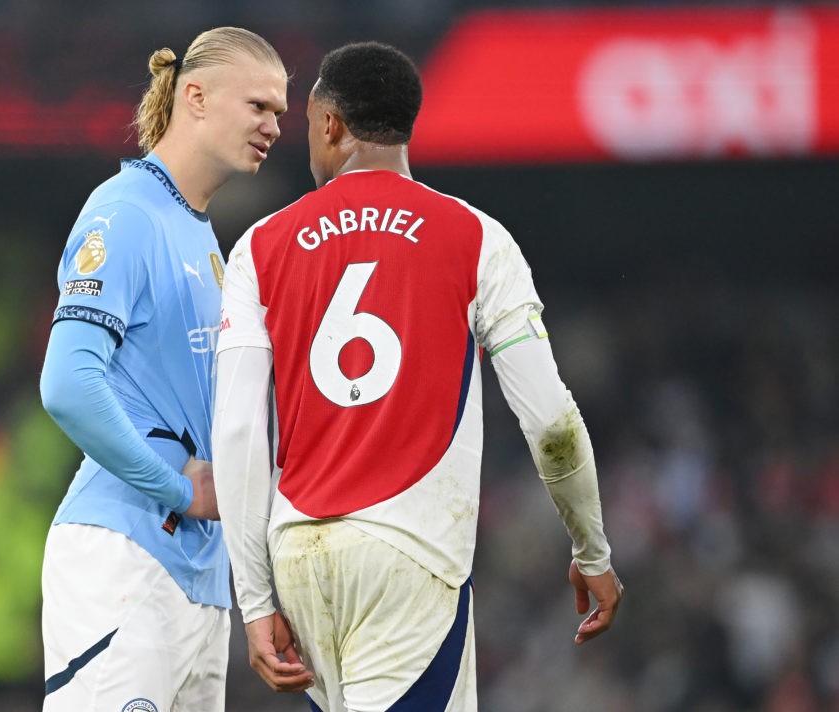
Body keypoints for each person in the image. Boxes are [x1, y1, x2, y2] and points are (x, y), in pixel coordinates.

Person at [212, 41, 623, 711]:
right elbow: (550, 419)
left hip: (298, 555)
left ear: (330, 124)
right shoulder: (477, 237)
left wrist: (255, 600)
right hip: (409, 555)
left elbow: (236, 432)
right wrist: (592, 549)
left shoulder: (260, 246)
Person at [38, 27, 287, 712]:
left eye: (280, 114)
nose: (272, 126)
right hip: (124, 558)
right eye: (259, 106)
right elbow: (67, 386)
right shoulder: (124, 214)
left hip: (198, 579)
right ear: (196, 97)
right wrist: (175, 489)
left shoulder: (199, 232)